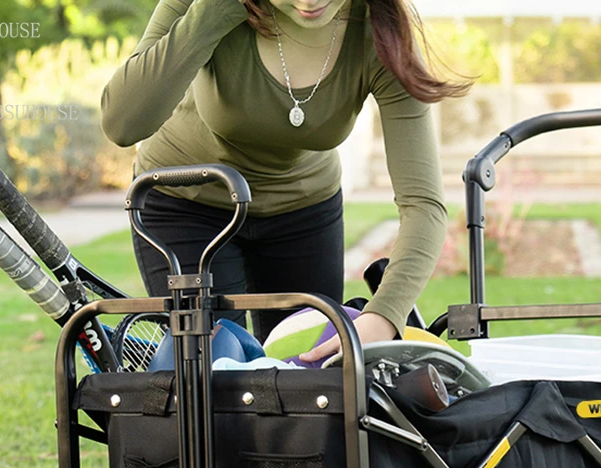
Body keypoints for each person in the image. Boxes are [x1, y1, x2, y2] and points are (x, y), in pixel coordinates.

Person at [100, 0, 470, 363]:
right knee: (213, 378)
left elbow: (423, 204)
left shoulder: (379, 30)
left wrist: (384, 316)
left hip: (304, 210)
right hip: (188, 203)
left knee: (308, 378)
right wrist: (212, 14)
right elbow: (121, 124)